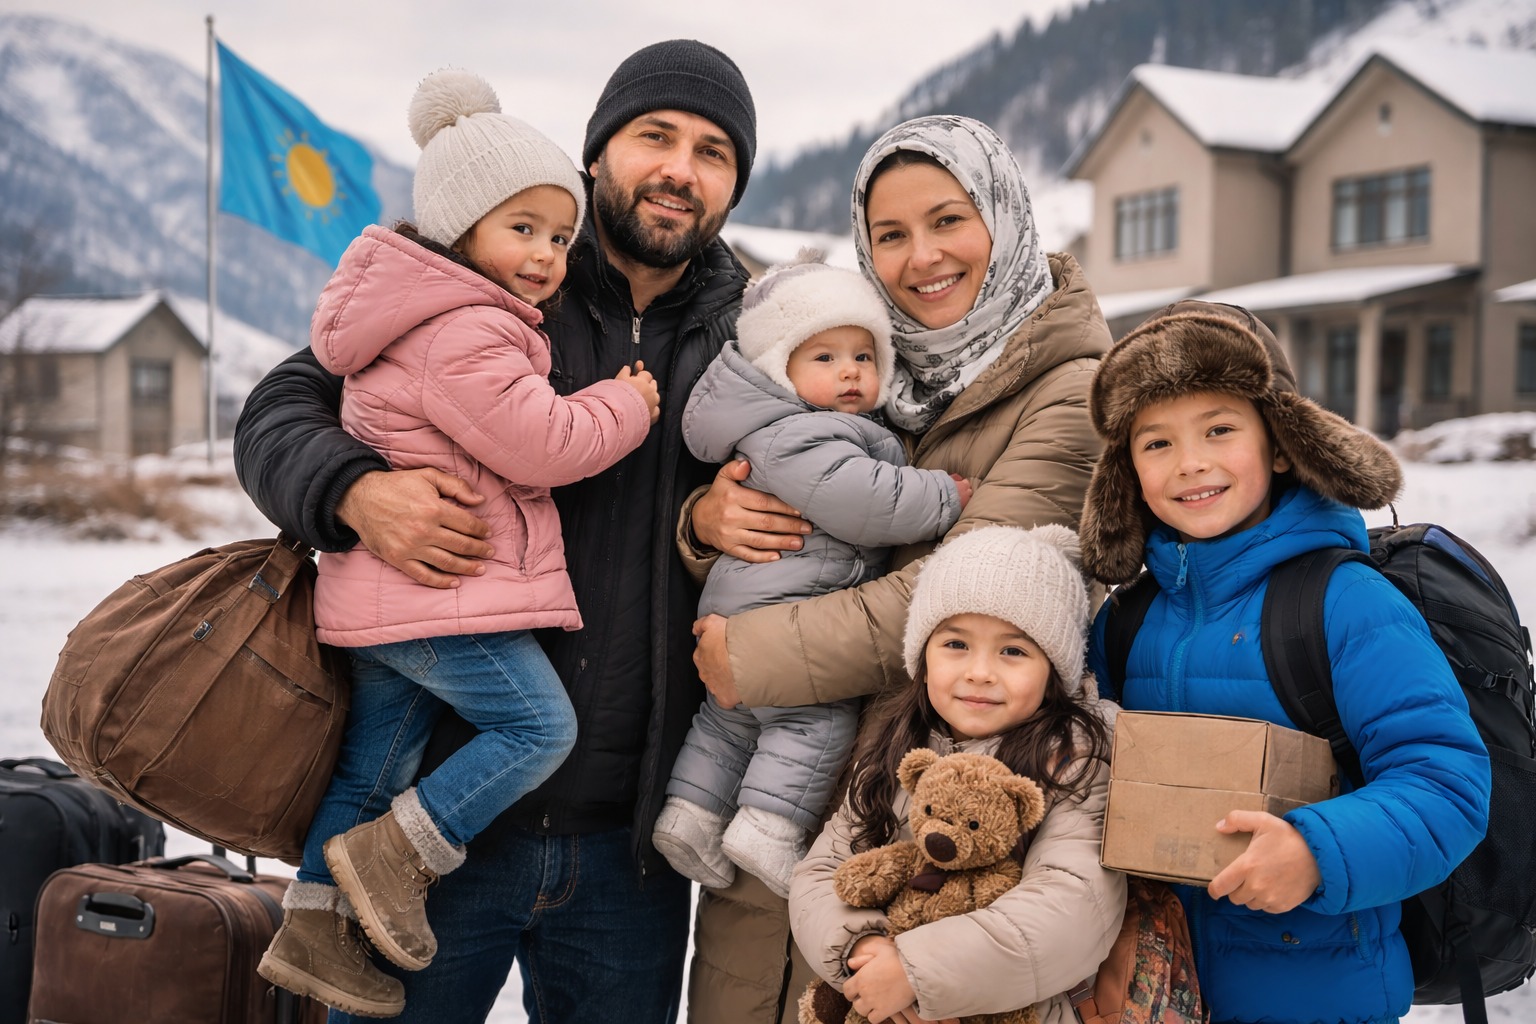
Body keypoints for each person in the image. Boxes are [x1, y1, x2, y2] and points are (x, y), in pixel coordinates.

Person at [234, 40, 757, 1023]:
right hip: (442, 826)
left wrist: (709, 525)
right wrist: (353, 491)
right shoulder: (499, 273)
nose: (681, 168)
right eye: (657, 136)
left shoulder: (752, 330)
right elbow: (276, 413)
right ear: (599, 152)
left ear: (733, 184)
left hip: (626, 854)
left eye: (714, 151)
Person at [683, 115, 1118, 1022]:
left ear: (1004, 218)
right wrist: (705, 521)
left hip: (942, 836)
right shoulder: (868, 370)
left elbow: (954, 597)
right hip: (786, 796)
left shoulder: (1068, 392)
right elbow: (792, 512)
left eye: (949, 220)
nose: (921, 257)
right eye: (890, 235)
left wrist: (749, 655)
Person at [1077, 299, 1491, 1024]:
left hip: (1317, 994)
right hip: (1152, 994)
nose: (1192, 463)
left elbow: (1446, 783)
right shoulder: (1123, 621)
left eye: (1220, 429)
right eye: (1156, 443)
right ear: (1126, 470)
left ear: (1279, 442)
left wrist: (1316, 851)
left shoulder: (1344, 602)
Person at [654, 252, 969, 900]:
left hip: (745, 610)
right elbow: (867, 501)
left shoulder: (777, 429)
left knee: (727, 725)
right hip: (780, 614)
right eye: (824, 358)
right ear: (781, 370)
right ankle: (768, 828)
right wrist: (944, 494)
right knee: (813, 724)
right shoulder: (803, 433)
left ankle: (690, 816)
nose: (850, 371)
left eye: (863, 355)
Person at [789, 524, 1122, 1024]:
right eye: (955, 644)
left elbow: (1072, 906)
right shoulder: (895, 750)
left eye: (1013, 651)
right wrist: (866, 952)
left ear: (1055, 669)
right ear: (923, 654)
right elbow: (821, 874)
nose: (980, 672)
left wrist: (915, 971)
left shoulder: (1072, 764)